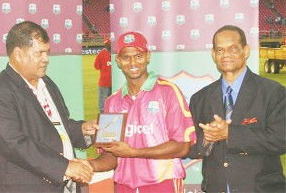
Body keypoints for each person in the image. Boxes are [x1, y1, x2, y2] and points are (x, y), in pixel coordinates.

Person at [0, 21, 96, 192]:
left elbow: (54, 127)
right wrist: (65, 167)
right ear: (18, 53)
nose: (46, 59)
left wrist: (81, 129)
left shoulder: (47, 83)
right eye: (39, 53)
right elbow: (13, 143)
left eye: (47, 53)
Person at [85, 31, 197, 192]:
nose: (132, 63)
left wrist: (133, 152)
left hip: (162, 183)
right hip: (125, 186)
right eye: (126, 57)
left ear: (147, 56)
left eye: (138, 56)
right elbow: (110, 155)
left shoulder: (168, 92)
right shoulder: (112, 102)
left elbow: (182, 146)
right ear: (118, 60)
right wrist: (89, 165)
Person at [189, 25, 286, 192]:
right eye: (220, 50)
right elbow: (192, 147)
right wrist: (206, 140)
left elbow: (281, 140)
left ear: (246, 51)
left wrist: (230, 133)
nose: (226, 54)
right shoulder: (200, 98)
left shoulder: (273, 92)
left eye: (233, 48)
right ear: (213, 55)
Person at [94, 37, 112, 113]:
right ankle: (104, 116)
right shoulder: (102, 54)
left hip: (108, 81)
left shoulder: (102, 54)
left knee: (105, 101)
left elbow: (97, 66)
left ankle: (108, 114)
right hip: (105, 82)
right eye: (108, 44)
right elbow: (96, 66)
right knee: (103, 102)